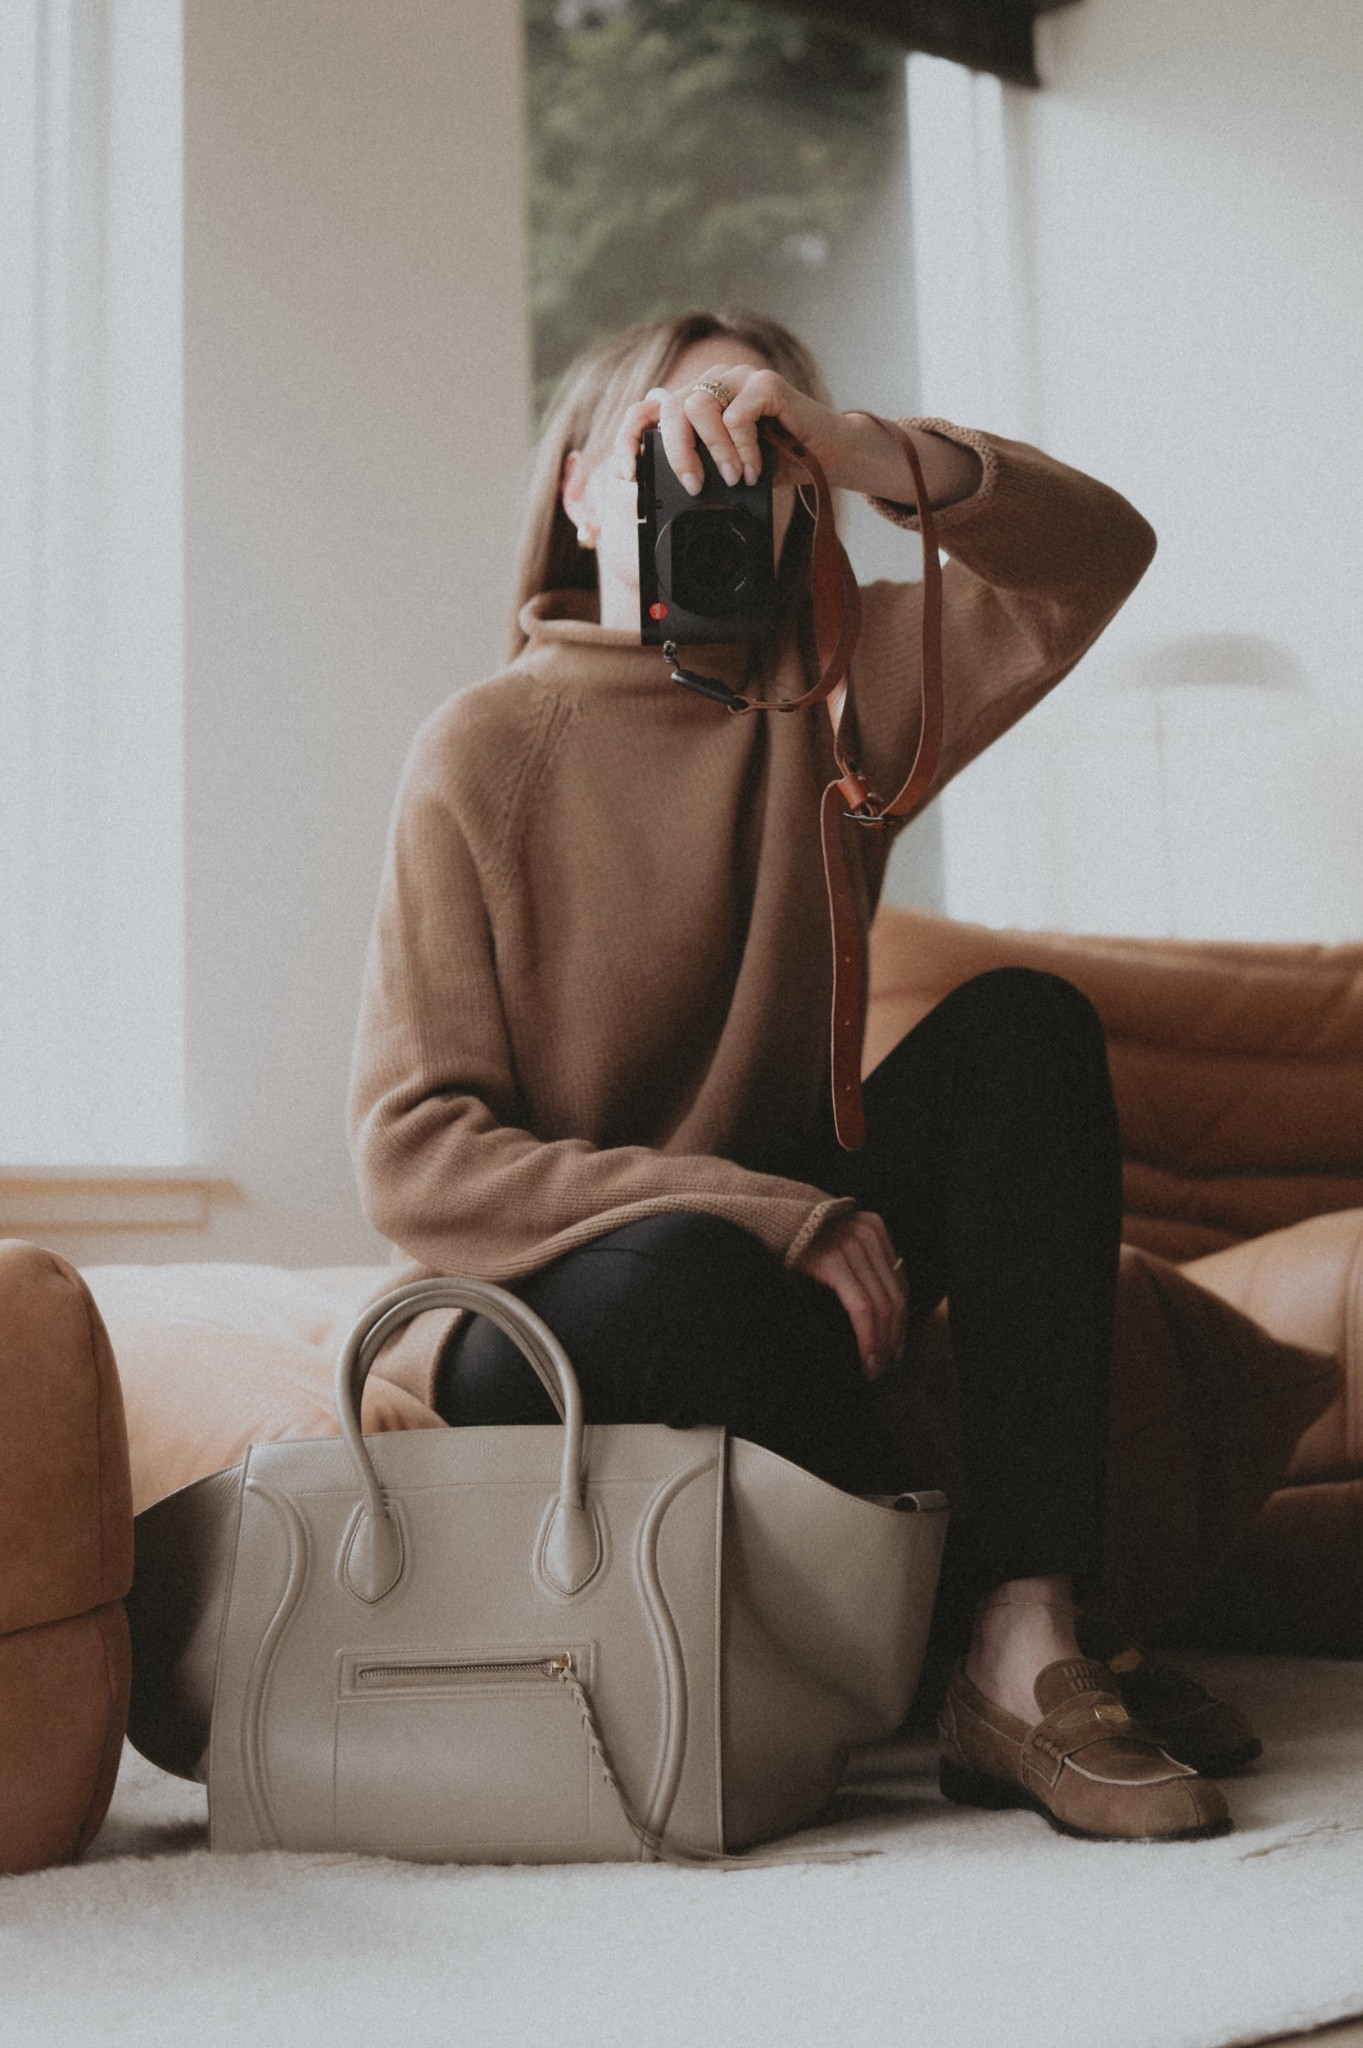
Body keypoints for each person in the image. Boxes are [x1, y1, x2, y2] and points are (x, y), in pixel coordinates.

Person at [347, 307, 1241, 1844]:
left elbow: (1100, 555)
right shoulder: (482, 749)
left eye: (757, 453)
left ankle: (1025, 1645)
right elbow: (413, 1151)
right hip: (563, 1303)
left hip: (793, 1277)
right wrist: (765, 1212)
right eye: (668, 446)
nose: (719, 482)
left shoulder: (836, 694)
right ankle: (959, 1615)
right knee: (677, 1275)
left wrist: (875, 452)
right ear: (577, 494)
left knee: (1025, 1024)